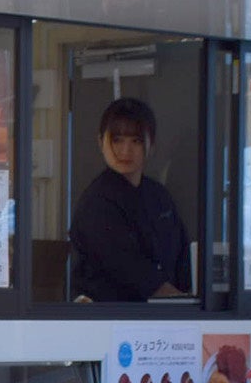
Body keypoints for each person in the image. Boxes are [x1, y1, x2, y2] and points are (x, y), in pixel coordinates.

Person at [70, 98, 193, 302]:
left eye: (136, 141)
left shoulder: (159, 195)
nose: (126, 151)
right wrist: (181, 302)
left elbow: (182, 257)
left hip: (165, 312)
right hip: (111, 315)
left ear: (151, 145)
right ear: (101, 142)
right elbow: (133, 271)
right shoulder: (96, 203)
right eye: (117, 140)